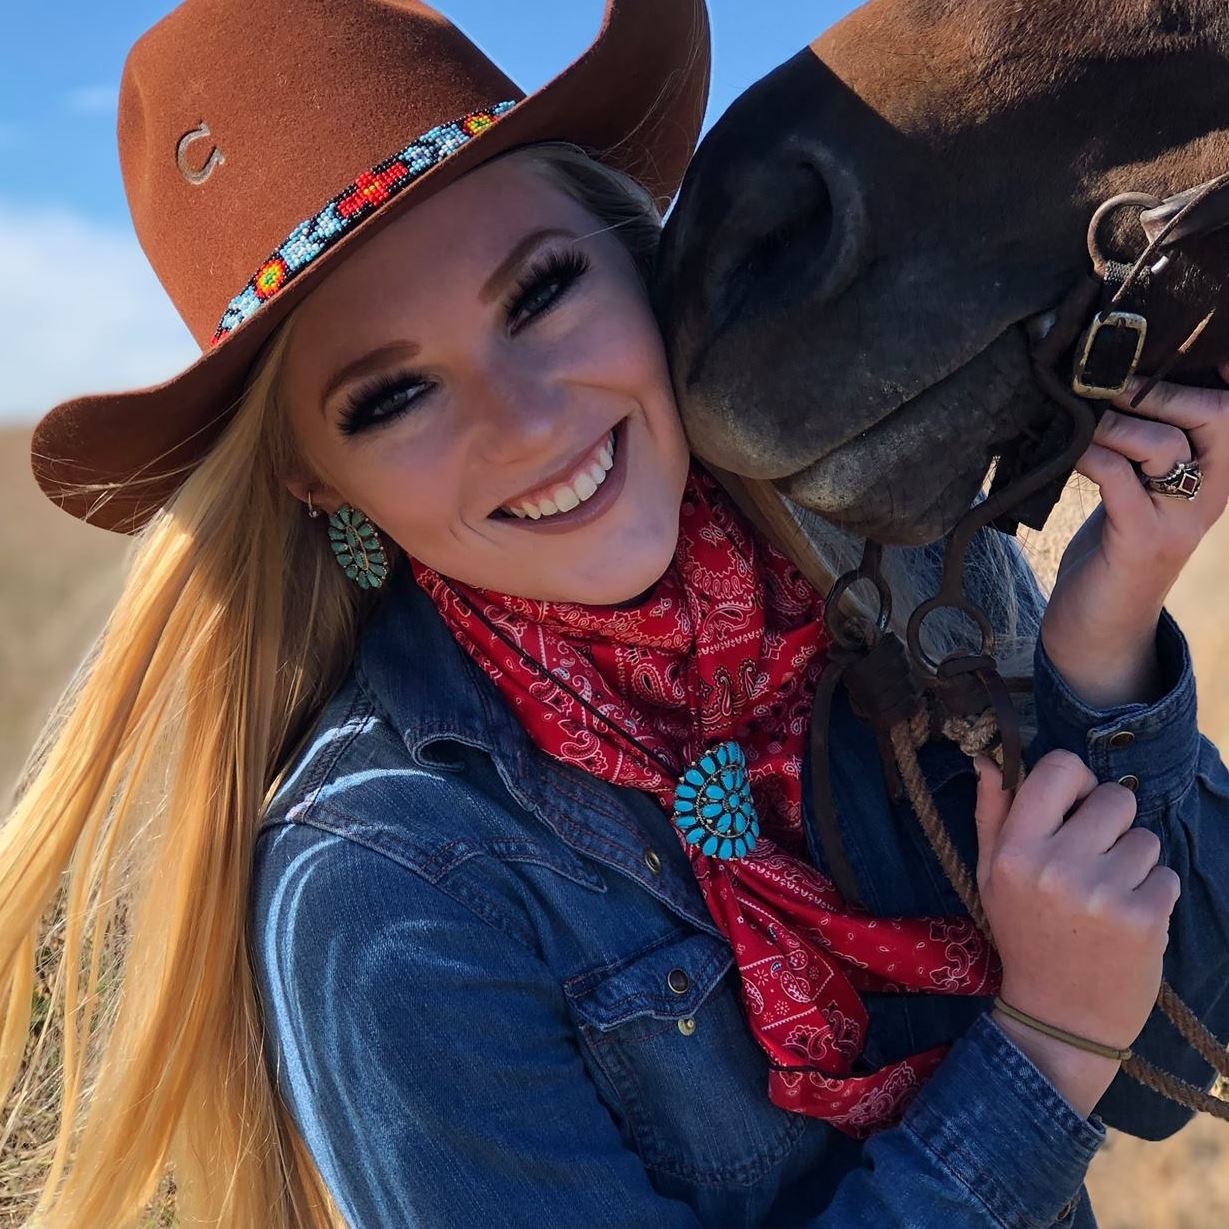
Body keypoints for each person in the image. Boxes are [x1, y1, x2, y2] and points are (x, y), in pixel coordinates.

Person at [3, 0, 1229, 1226]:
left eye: (538, 291)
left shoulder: (888, 563)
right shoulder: (381, 884)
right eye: (392, 396)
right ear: (311, 475)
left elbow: (1169, 1056)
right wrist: (1040, 1052)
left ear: (632, 255)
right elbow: (1087, 1053)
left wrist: (1103, 641)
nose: (529, 420)